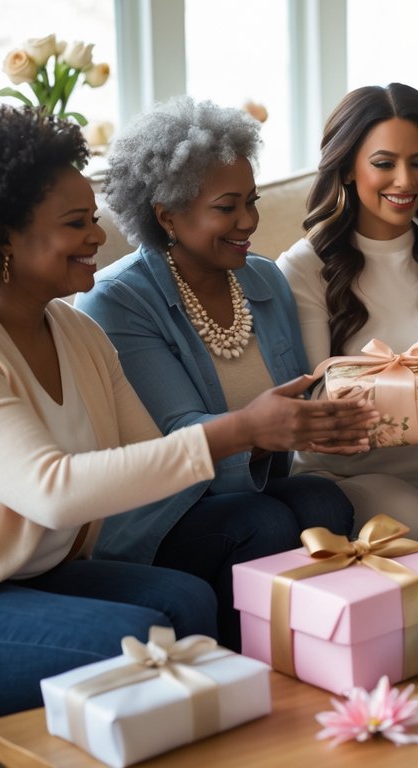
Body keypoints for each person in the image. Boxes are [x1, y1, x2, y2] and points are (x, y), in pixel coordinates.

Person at [0, 108, 369, 718]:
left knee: (184, 601)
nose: (99, 237)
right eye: (77, 224)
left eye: (94, 218)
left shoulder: (76, 333)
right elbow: (50, 491)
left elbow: (150, 454)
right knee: (141, 637)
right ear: (3, 236)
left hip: (40, 573)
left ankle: (273, 726)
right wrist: (241, 430)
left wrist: (293, 430)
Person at [75, 97, 364, 649]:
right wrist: (264, 430)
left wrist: (334, 419)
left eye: (252, 202)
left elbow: (293, 406)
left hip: (249, 492)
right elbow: (175, 440)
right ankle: (252, 677)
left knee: (324, 501)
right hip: (161, 511)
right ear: (167, 215)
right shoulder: (118, 302)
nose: (250, 221)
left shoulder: (264, 281)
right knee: (262, 521)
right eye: (227, 208)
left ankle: (317, 658)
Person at [277, 83, 418, 552]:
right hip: (347, 475)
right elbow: (318, 403)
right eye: (383, 163)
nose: (405, 181)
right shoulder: (303, 266)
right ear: (349, 168)